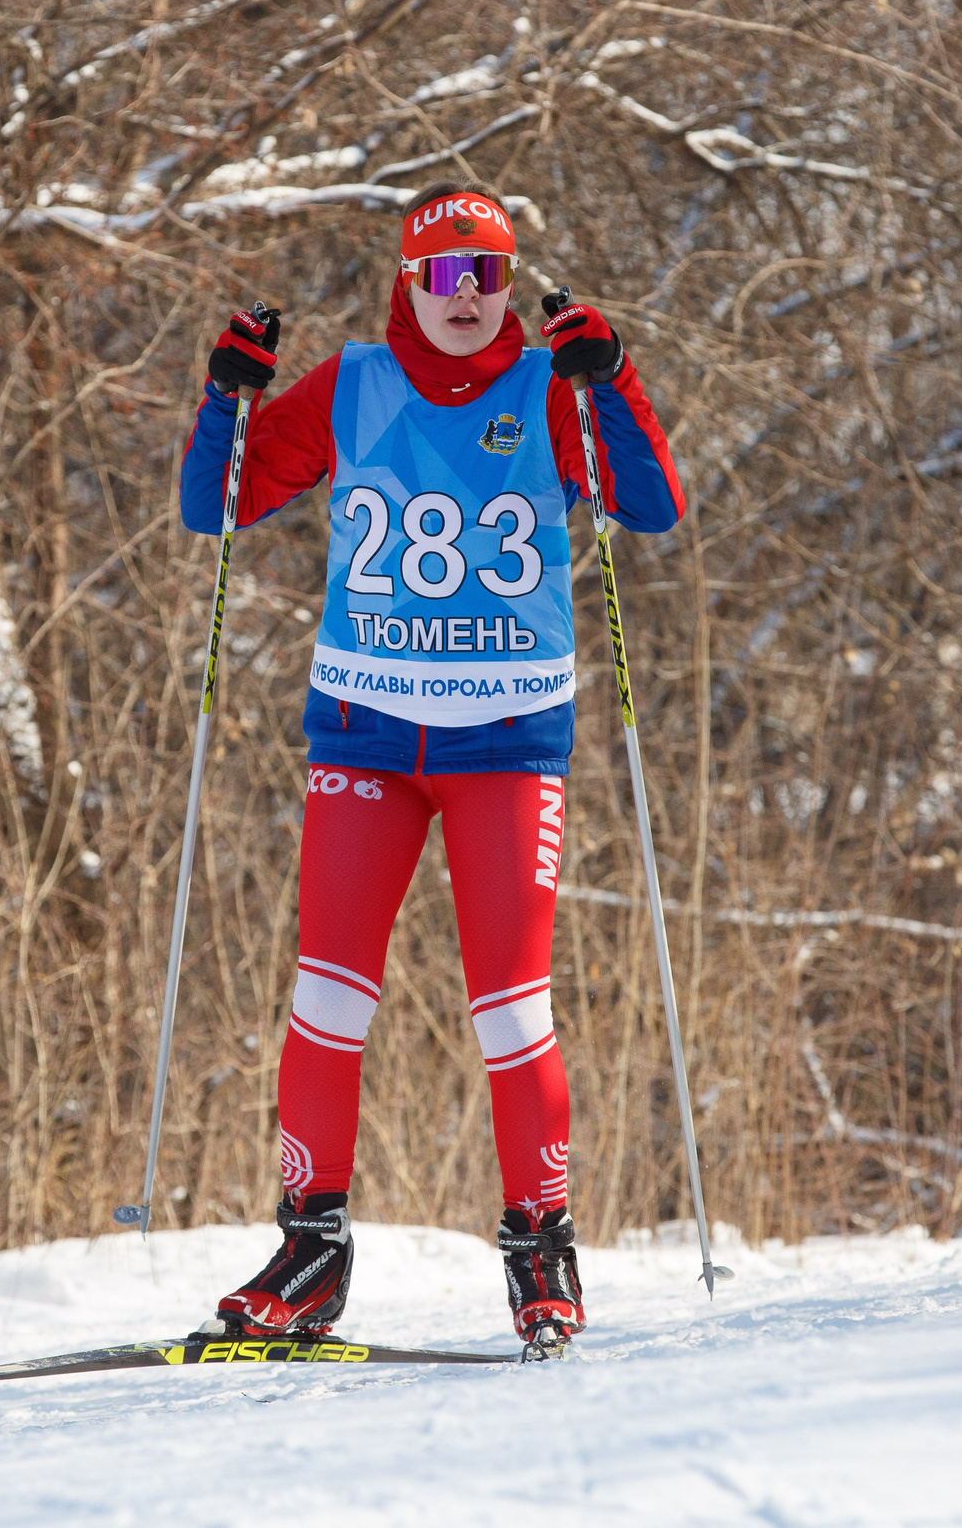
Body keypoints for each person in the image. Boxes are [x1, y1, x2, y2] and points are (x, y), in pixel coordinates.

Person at [176, 180, 684, 1352]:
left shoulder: (548, 387)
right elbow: (218, 507)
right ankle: (309, 1250)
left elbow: (649, 507)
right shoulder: (350, 385)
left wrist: (612, 378)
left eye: (488, 273)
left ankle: (540, 1248)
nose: (468, 296)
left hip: (504, 740)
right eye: (445, 274)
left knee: (510, 1006)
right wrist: (226, 397)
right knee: (325, 994)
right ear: (409, 281)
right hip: (365, 734)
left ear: (509, 285)